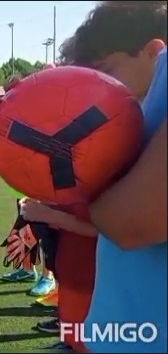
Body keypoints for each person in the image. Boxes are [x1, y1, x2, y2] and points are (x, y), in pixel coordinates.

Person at [56, 2, 167, 352]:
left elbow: (129, 223)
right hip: (123, 333)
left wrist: (72, 176)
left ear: (153, 51)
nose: (99, 90)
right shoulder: (138, 107)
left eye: (106, 72)